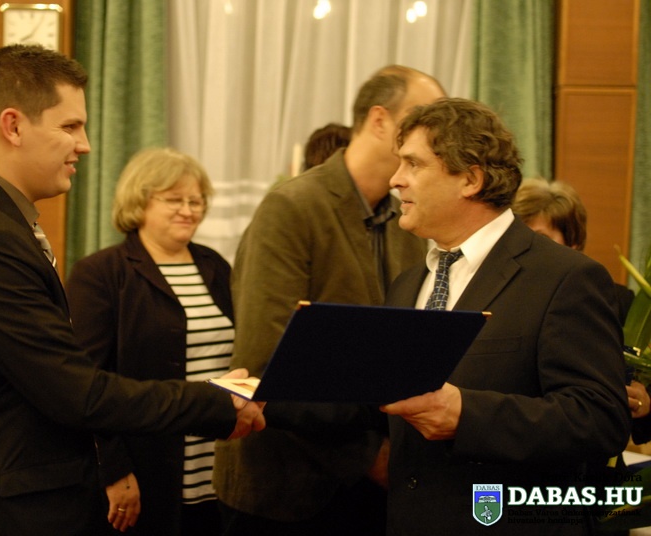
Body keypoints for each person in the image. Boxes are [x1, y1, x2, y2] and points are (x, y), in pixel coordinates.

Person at [0, 45, 264, 536]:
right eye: (70, 126)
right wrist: (212, 402)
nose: (85, 145)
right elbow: (78, 393)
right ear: (13, 126)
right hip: (0, 512)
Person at [381, 97, 631, 534]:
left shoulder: (564, 277)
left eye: (413, 164)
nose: (395, 179)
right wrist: (269, 398)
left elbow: (599, 418)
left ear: (470, 179)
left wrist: (468, 416)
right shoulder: (409, 282)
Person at [213, 66, 445, 535]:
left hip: (372, 487)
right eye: (423, 118)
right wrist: (369, 455)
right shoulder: (292, 207)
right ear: (379, 121)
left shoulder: (405, 220)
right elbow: (265, 366)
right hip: (285, 489)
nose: (437, 137)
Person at [66, 147, 233, 535]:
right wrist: (115, 471)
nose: (188, 210)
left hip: (216, 469)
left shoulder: (215, 266)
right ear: (139, 201)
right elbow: (86, 383)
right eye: (174, 199)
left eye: (196, 201)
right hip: (145, 469)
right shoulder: (100, 274)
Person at [512, 177, 650, 440]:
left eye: (540, 239)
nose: (527, 249)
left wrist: (643, 402)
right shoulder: (499, 299)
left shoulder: (615, 300)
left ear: (572, 242)